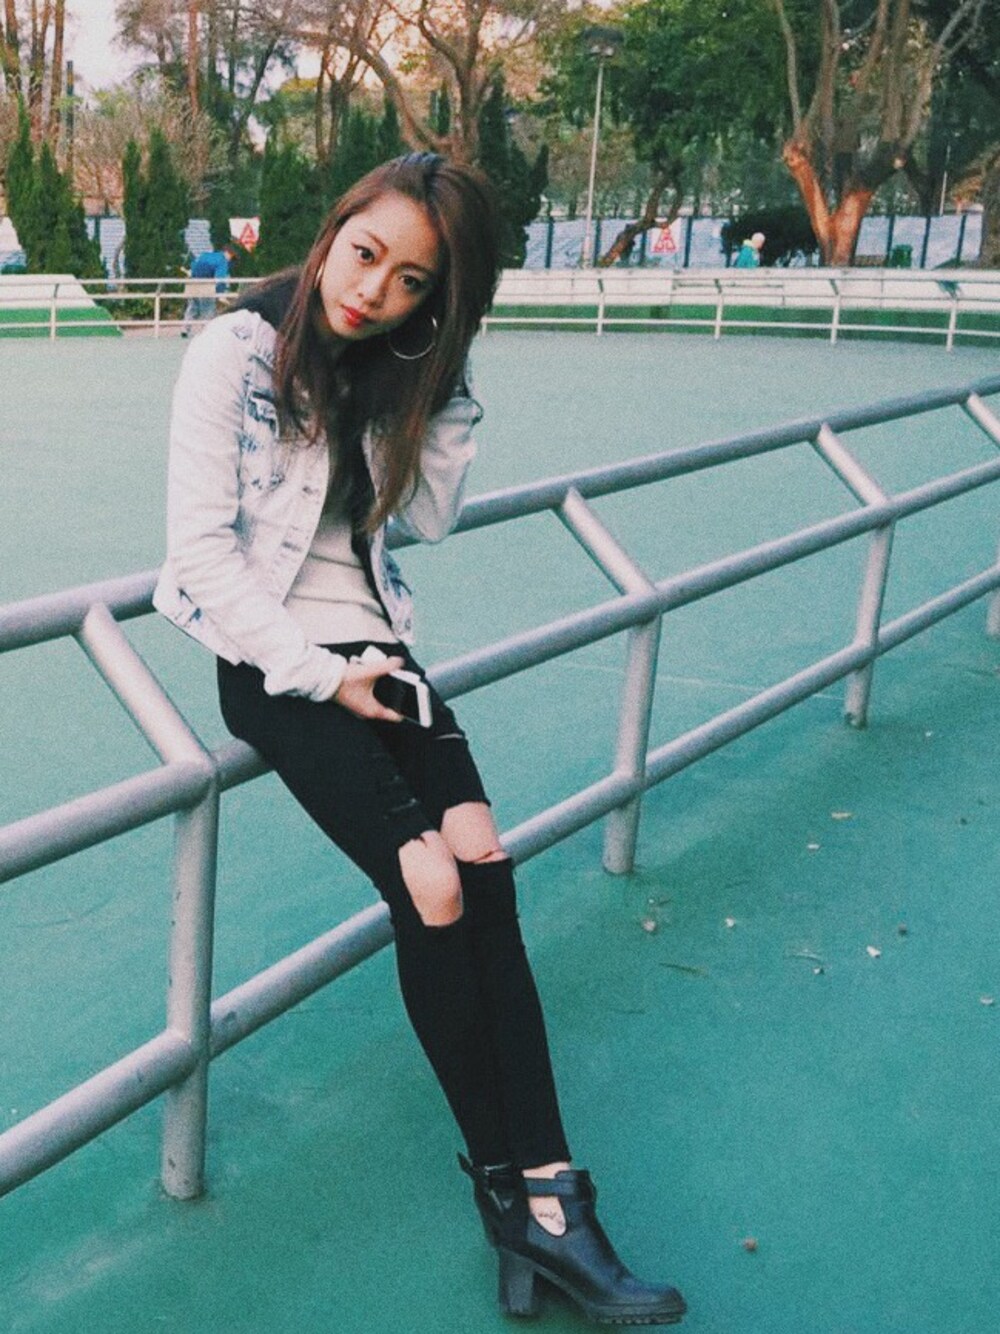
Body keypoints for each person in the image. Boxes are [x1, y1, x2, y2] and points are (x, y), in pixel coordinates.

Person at [153, 153, 686, 1327]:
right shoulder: (235, 351)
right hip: (275, 664)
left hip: (380, 651)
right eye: (365, 255)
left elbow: (430, 516)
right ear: (333, 229)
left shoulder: (395, 366)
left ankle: (544, 1193)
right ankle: (527, 1205)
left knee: (483, 859)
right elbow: (201, 556)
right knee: (430, 880)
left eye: (412, 284)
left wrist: (441, 375)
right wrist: (319, 676)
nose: (372, 291)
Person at [181, 242, 237, 335]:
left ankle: (184, 329)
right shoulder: (222, 261)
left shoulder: (205, 255)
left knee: (192, 307)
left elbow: (193, 266)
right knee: (208, 309)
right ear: (227, 253)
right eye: (231, 257)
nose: (230, 259)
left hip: (192, 283)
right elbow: (220, 279)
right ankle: (207, 331)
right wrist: (220, 294)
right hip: (206, 285)